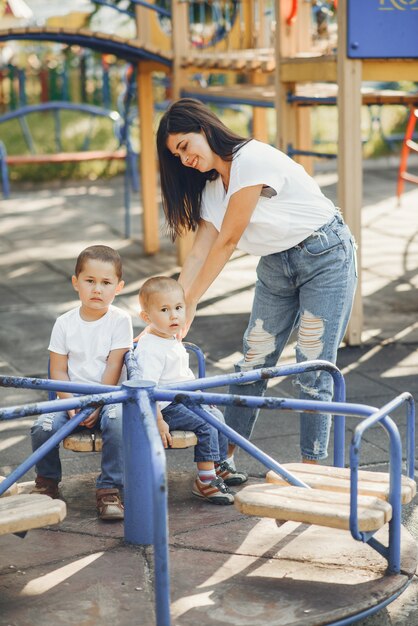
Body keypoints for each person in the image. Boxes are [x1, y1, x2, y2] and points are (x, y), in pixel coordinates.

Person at [156, 97, 357, 464]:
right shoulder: (212, 187)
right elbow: (198, 252)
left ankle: (311, 468)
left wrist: (194, 302)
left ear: (204, 128)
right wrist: (172, 307)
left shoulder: (251, 159)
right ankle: (224, 459)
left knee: (312, 364)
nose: (184, 159)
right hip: (276, 264)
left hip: (324, 255)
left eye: (184, 146)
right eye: (177, 156)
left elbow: (228, 241)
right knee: (252, 361)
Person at [31, 245, 133, 520]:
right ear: (76, 283)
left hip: (110, 397)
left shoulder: (119, 320)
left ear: (119, 287)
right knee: (42, 427)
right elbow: (58, 370)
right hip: (72, 399)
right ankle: (47, 482)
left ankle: (109, 488)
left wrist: (98, 404)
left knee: (118, 421)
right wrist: (72, 403)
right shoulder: (64, 323)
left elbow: (114, 365)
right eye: (90, 281)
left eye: (105, 283)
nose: (97, 289)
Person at [134, 276, 247, 505]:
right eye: (164, 310)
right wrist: (157, 419)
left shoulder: (170, 336)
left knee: (217, 417)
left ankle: (217, 466)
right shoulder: (150, 348)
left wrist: (200, 398)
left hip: (183, 399)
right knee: (206, 424)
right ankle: (204, 482)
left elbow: (181, 375)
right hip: (165, 407)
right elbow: (147, 388)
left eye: (178, 308)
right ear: (146, 317)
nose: (174, 315)